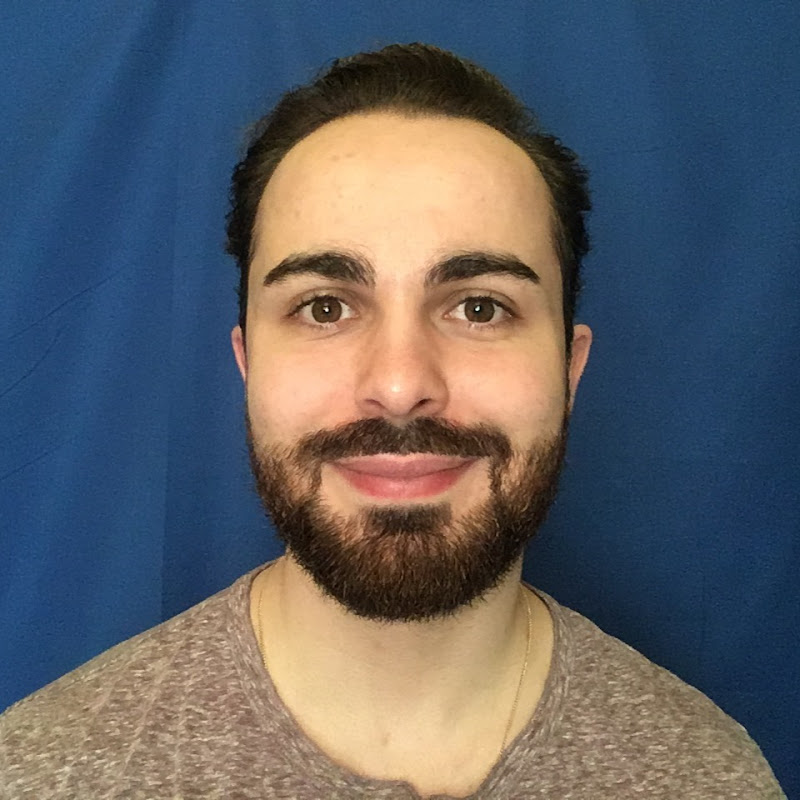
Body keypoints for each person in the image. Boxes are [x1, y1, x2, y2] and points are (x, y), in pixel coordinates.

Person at [0, 43, 784, 799]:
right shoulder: (42, 773)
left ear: (569, 370)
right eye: (324, 307)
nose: (401, 385)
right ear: (247, 363)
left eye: (480, 308)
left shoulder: (710, 780)